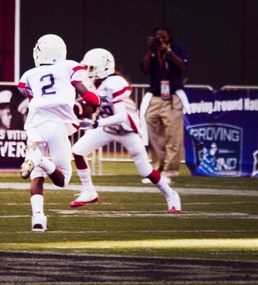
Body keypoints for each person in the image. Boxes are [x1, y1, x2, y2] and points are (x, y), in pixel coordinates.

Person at [71, 48, 181, 213]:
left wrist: (95, 124)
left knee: (145, 170)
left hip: (126, 130)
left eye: (92, 68)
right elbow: (88, 104)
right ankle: (89, 191)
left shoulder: (114, 83)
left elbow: (121, 116)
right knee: (78, 151)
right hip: (107, 127)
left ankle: (171, 195)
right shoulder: (91, 84)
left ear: (104, 67)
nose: (88, 72)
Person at [17, 33, 99, 232]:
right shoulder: (69, 66)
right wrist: (94, 102)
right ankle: (40, 160)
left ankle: (38, 219)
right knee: (64, 179)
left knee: (37, 176)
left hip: (35, 125)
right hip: (57, 125)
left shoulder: (28, 75)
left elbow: (30, 96)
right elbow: (86, 94)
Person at [139, 26, 189, 180]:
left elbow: (183, 66)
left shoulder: (176, 49)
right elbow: (144, 69)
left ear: (169, 38)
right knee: (153, 135)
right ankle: (156, 171)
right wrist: (150, 50)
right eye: (157, 38)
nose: (160, 40)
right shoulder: (153, 51)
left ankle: (171, 172)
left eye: (163, 38)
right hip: (155, 96)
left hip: (172, 97)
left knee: (173, 137)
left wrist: (167, 51)